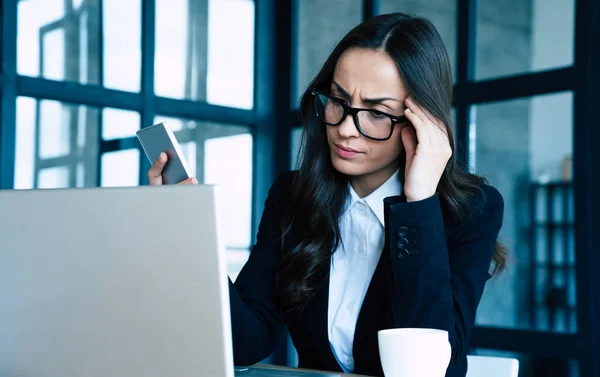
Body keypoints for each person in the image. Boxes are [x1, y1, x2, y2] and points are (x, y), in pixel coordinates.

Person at [148, 13, 506, 377]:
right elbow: (246, 342)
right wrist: (190, 234)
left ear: (422, 123)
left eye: (377, 113)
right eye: (338, 100)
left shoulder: (473, 210)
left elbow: (433, 370)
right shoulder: (293, 195)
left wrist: (420, 206)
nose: (346, 129)